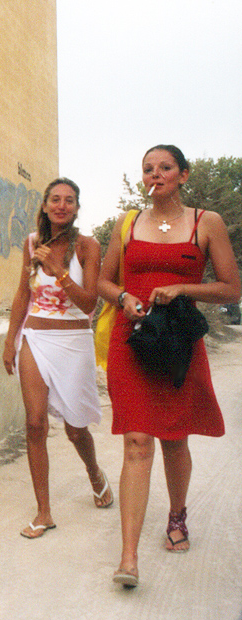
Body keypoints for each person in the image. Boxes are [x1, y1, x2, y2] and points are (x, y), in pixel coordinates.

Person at [98, 145, 241, 588]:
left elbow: (232, 288)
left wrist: (182, 287)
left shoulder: (206, 222)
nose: (154, 174)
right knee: (137, 441)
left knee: (174, 439)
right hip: (133, 340)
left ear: (182, 174)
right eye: (147, 169)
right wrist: (123, 297)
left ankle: (177, 515)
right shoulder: (128, 223)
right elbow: (104, 280)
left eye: (164, 167)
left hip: (178, 342)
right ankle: (128, 558)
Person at [3, 177, 113, 539]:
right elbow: (23, 294)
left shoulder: (87, 246)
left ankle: (94, 472)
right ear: (46, 205)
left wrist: (60, 272)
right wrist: (10, 340)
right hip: (35, 338)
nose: (61, 205)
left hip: (73, 340)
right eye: (55, 199)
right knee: (34, 423)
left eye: (69, 200)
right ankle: (44, 512)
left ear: (77, 208)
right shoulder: (32, 243)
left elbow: (89, 304)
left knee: (75, 428)